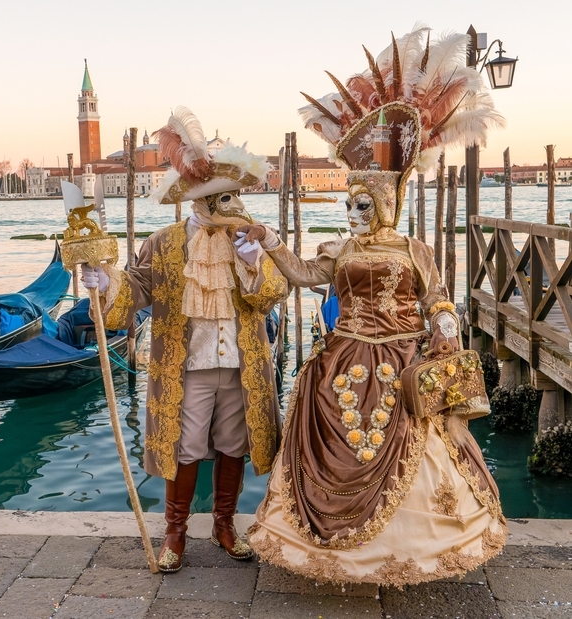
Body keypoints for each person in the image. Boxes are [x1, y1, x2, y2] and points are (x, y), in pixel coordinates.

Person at [244, 27, 508, 587]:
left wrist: (441, 323)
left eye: (363, 205)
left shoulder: (415, 249)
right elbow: (299, 274)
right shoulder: (338, 251)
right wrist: (268, 240)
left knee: (417, 443)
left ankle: (414, 550)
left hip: (403, 359)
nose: (354, 213)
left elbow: (437, 298)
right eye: (350, 205)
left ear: (383, 204)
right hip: (345, 356)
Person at [81, 107, 287, 572]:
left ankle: (225, 524)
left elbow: (274, 294)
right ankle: (175, 532)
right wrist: (106, 280)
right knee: (184, 445)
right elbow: (135, 289)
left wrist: (256, 262)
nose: (228, 206)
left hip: (241, 363)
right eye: (219, 199)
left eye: (230, 198)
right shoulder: (164, 243)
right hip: (185, 366)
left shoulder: (247, 240)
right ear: (197, 200)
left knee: (235, 443)